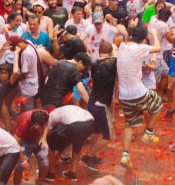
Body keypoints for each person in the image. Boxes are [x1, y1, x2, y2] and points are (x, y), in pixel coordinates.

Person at [117, 27, 163, 168]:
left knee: (130, 123)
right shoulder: (141, 48)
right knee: (158, 103)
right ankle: (148, 132)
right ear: (143, 40)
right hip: (137, 92)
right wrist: (155, 34)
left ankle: (125, 155)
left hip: (123, 95)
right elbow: (157, 48)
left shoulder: (122, 46)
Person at [82, 42, 117, 171]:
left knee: (96, 132)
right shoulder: (112, 63)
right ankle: (89, 156)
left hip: (92, 102)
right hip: (101, 105)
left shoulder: (95, 63)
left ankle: (94, 156)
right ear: (111, 52)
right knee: (109, 137)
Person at [44, 105, 95, 182]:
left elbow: (49, 131)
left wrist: (45, 141)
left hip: (76, 125)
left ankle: (50, 173)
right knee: (77, 144)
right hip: (90, 124)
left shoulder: (51, 114)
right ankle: (72, 173)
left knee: (50, 139)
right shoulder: (66, 109)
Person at [7, 35, 42, 113]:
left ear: (18, 46)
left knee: (27, 111)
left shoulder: (26, 54)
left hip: (28, 85)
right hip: (34, 79)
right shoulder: (28, 43)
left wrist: (15, 78)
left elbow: (24, 73)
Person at [13, 110, 49, 185]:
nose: (42, 128)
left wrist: (43, 137)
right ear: (34, 125)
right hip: (24, 140)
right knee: (19, 165)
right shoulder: (23, 124)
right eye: (39, 127)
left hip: (38, 138)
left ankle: (40, 181)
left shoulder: (45, 114)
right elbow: (14, 143)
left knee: (44, 160)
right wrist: (23, 161)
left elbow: (47, 126)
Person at [148, 8, 175, 97]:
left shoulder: (153, 20)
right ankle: (154, 99)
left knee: (165, 73)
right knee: (154, 81)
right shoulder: (164, 25)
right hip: (155, 55)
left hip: (153, 52)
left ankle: (159, 95)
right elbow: (171, 40)